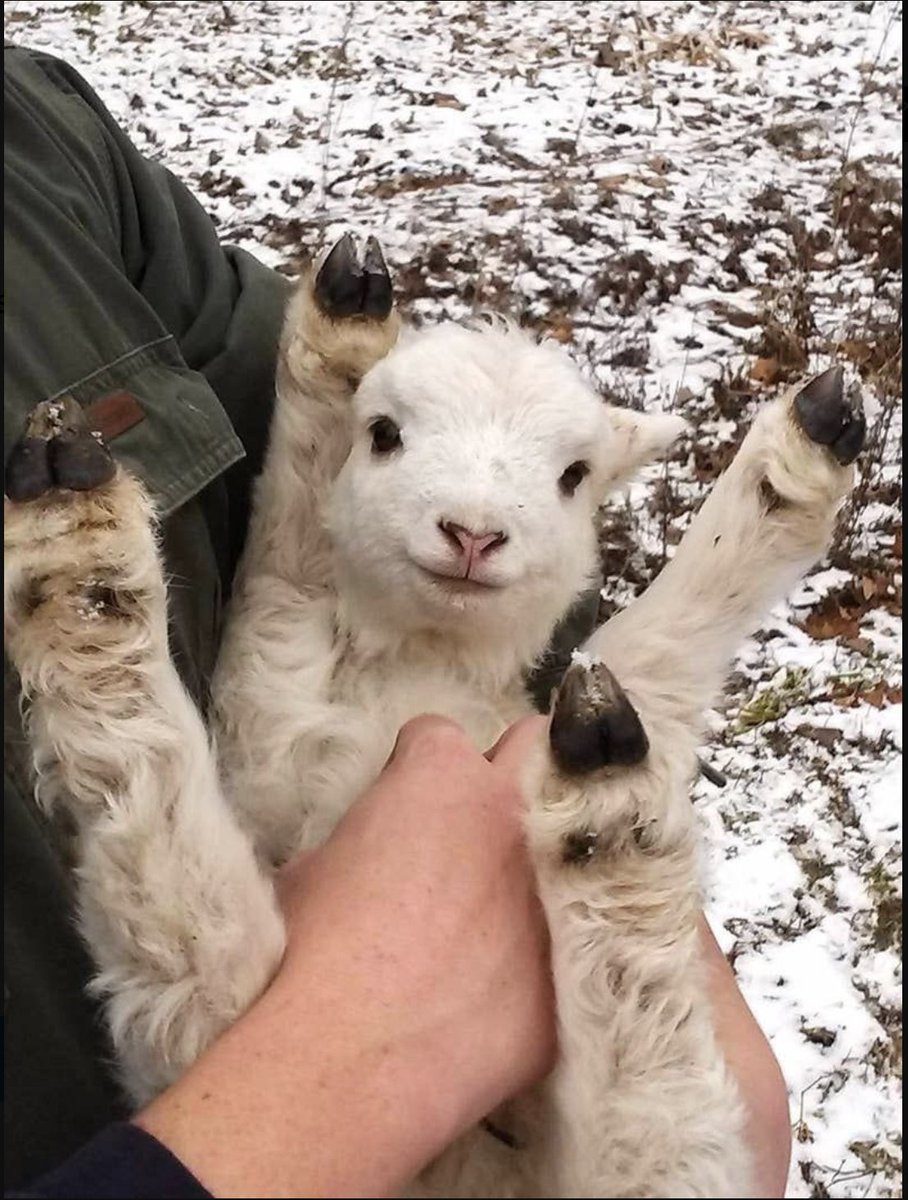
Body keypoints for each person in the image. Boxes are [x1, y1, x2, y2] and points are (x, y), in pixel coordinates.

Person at [3, 44, 792, 1198]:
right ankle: (100, 677)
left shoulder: (40, 136)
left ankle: (99, 671)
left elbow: (344, 470)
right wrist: (363, 1041)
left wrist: (326, 397)